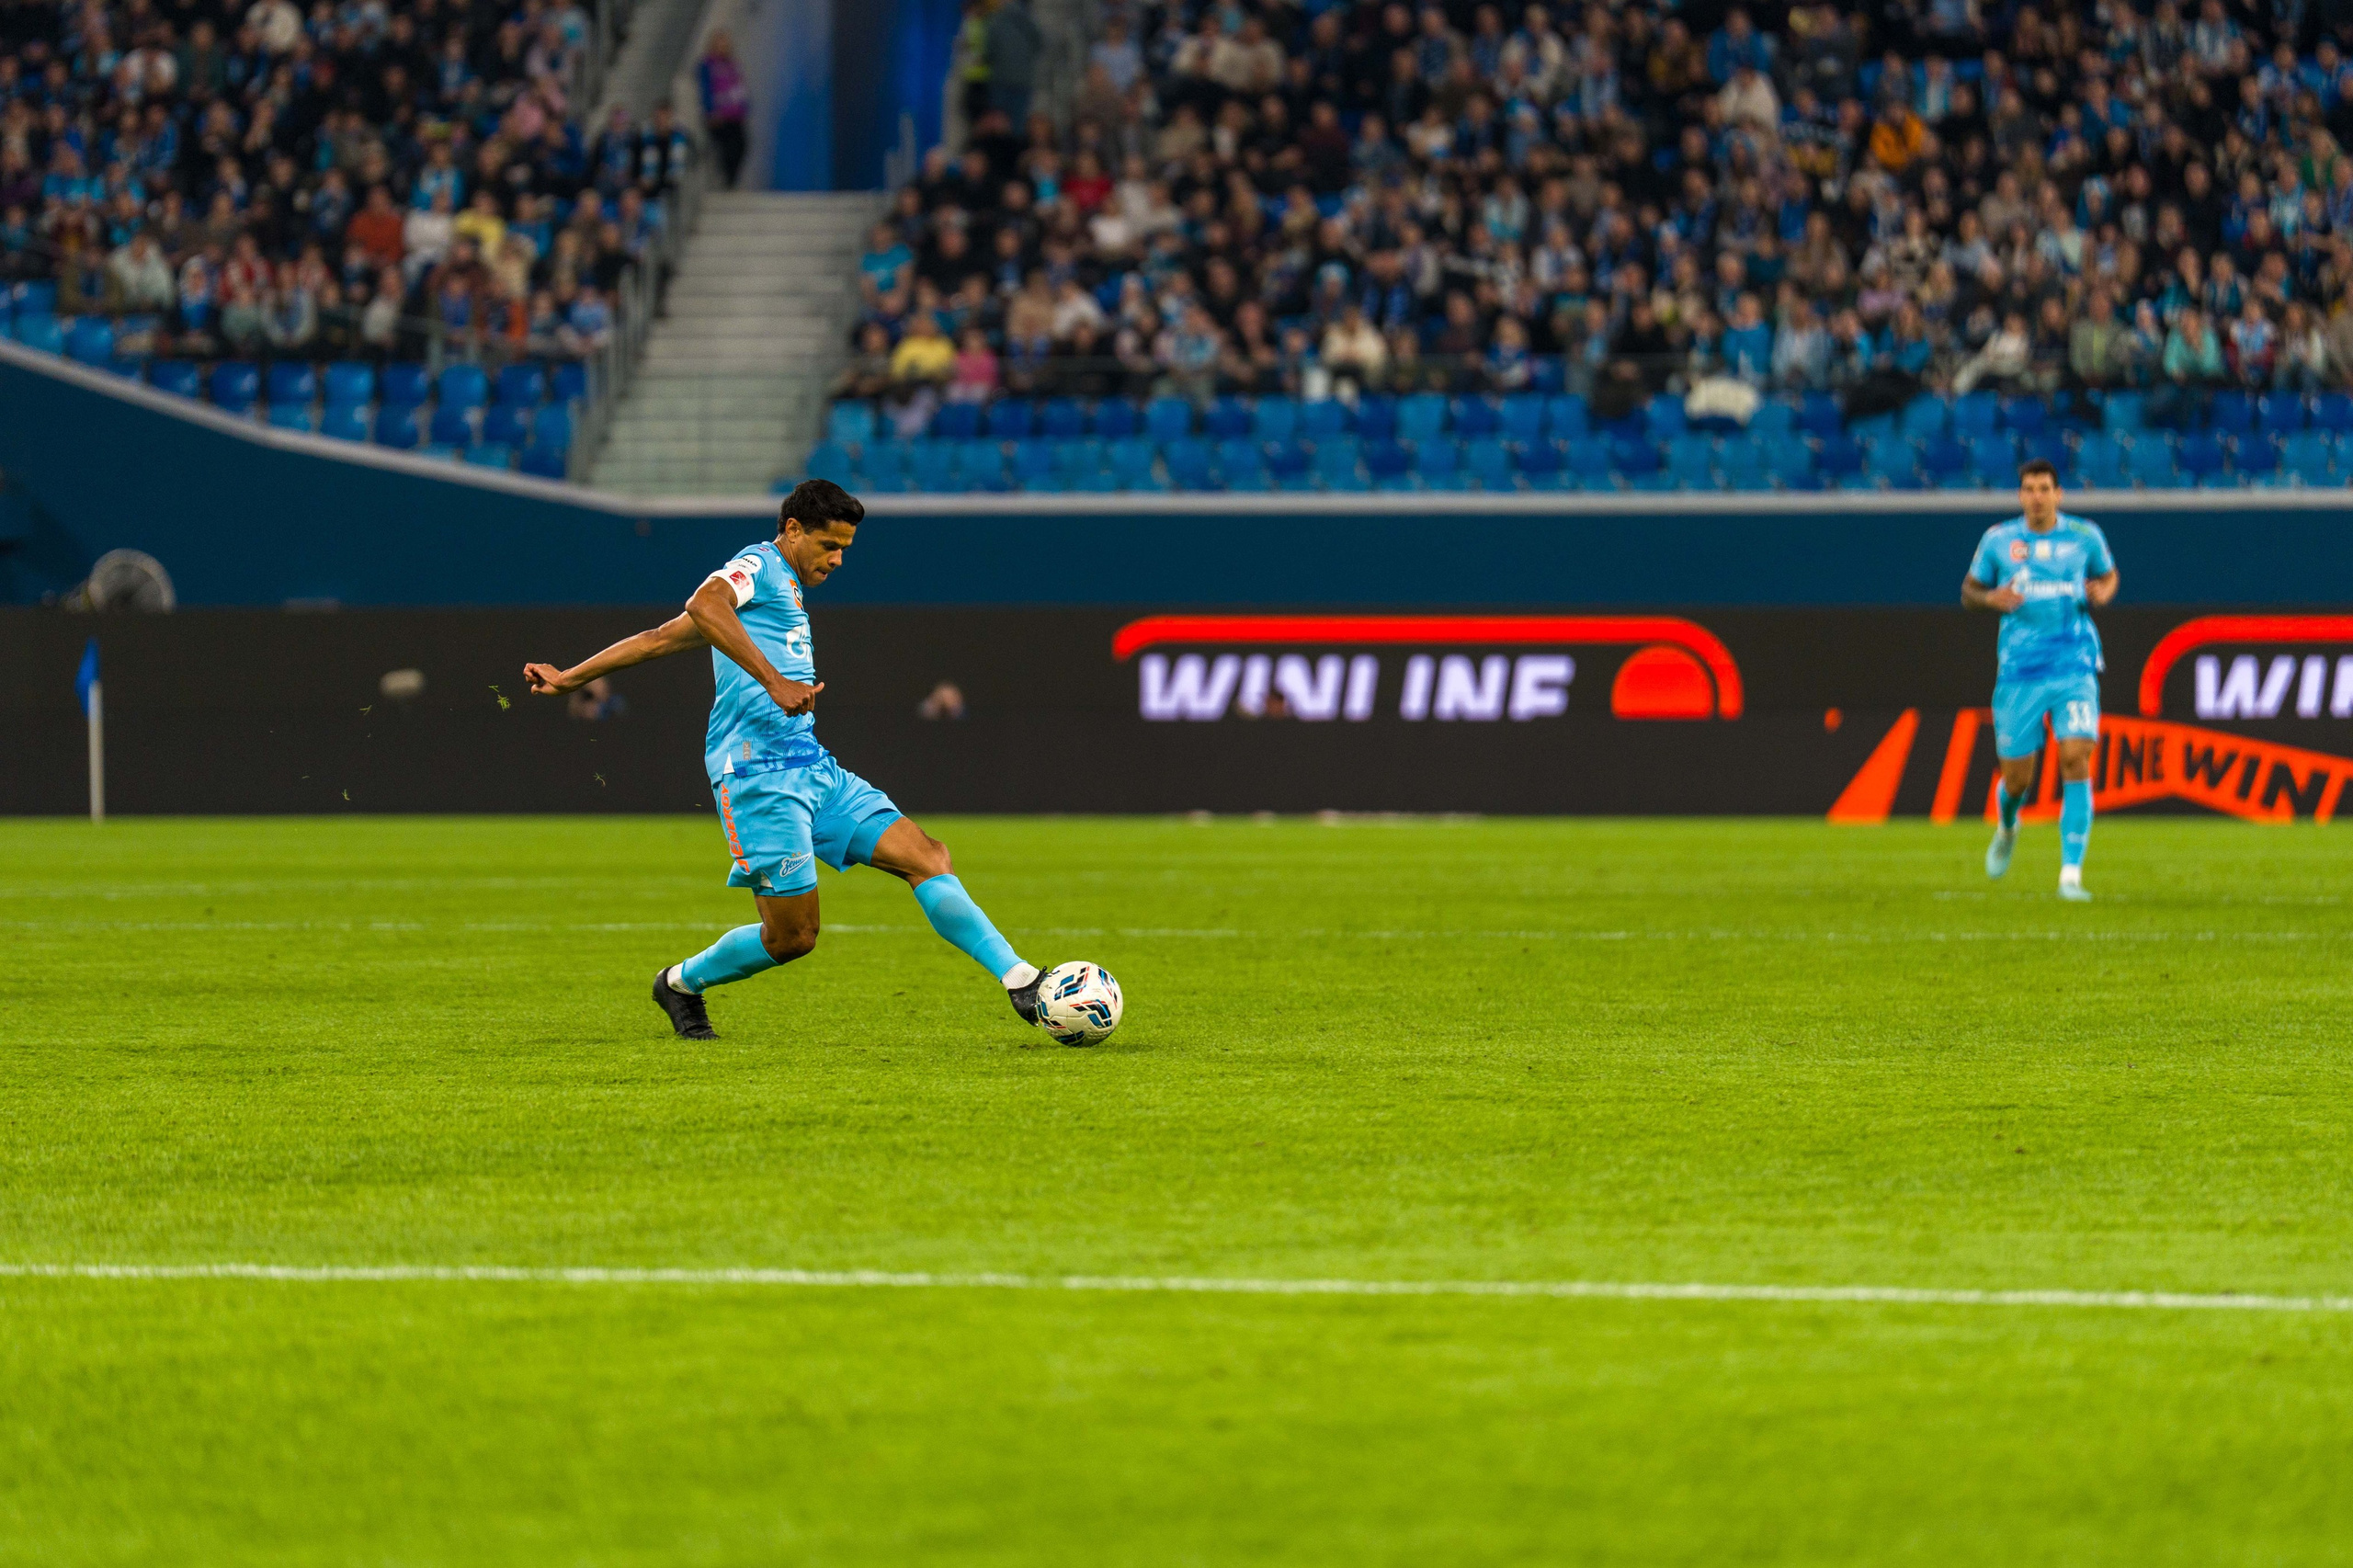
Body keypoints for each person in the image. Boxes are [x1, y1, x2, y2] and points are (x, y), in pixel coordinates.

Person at [522, 482, 1052, 1040]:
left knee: (927, 855)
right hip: (757, 776)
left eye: (845, 547)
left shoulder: (784, 593)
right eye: (828, 544)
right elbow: (703, 604)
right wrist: (774, 681)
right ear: (793, 529)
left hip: (813, 767)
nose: (838, 559)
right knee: (792, 938)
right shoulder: (759, 564)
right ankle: (679, 983)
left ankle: (1019, 980)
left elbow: (657, 639)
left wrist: (569, 678)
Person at [1961, 460, 2120, 901]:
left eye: (2044, 488)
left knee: (2075, 756)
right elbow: (1969, 591)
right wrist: (1991, 597)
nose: (2036, 497)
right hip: (2019, 673)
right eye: (2029, 489)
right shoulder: (1999, 540)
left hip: (2074, 664)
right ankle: (2009, 824)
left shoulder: (2084, 537)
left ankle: (2070, 874)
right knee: (2018, 781)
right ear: (2020, 496)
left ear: (2058, 494)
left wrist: (2103, 591)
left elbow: (2107, 575)